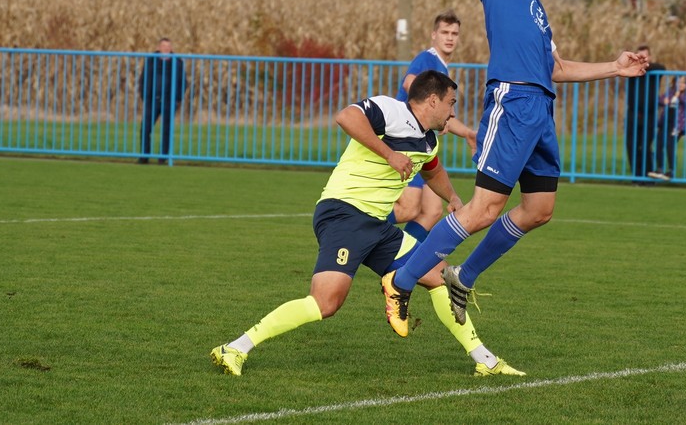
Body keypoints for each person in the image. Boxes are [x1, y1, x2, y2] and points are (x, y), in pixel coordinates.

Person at [381, 0, 649, 334]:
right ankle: (400, 281)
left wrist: (614, 66)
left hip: (540, 108)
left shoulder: (536, 9)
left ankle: (464, 274)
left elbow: (557, 69)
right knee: (484, 208)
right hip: (514, 100)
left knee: (540, 209)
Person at [210, 70, 525, 378]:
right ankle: (234, 348)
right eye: (451, 103)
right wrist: (389, 154)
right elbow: (346, 117)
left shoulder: (429, 141)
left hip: (377, 225)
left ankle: (485, 360)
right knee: (325, 302)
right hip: (344, 213)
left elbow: (432, 171)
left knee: (439, 277)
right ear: (432, 100)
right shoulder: (391, 110)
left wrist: (454, 198)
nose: (452, 112)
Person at [390, 10, 477, 241]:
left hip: (421, 144)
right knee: (408, 208)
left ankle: (402, 260)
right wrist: (431, 109)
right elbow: (410, 83)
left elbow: (445, 114)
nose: (450, 37)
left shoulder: (442, 67)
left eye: (454, 33)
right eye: (445, 32)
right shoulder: (428, 59)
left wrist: (468, 133)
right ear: (433, 35)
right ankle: (358, 225)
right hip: (406, 139)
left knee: (432, 211)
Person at [137, 37, 186, 164]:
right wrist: (144, 95)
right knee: (145, 129)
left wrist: (177, 98)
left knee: (166, 130)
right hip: (152, 100)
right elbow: (143, 79)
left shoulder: (178, 62)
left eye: (168, 47)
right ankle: (144, 156)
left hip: (169, 101)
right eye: (164, 46)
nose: (166, 49)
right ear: (159, 48)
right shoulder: (150, 60)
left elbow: (183, 82)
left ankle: (163, 158)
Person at [626, 45, 666, 181]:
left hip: (649, 115)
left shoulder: (655, 71)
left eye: (645, 56)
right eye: (639, 56)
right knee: (631, 146)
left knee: (645, 146)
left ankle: (647, 176)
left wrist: (644, 65)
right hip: (633, 114)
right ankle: (637, 177)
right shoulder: (631, 71)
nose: (641, 59)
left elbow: (662, 67)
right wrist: (637, 65)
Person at [648, 75, 686, 181]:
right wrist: (663, 100)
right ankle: (659, 169)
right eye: (678, 82)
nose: (680, 85)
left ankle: (671, 171)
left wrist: (679, 96)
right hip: (665, 122)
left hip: (678, 125)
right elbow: (660, 100)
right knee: (658, 144)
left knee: (670, 145)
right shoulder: (670, 92)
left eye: (683, 82)